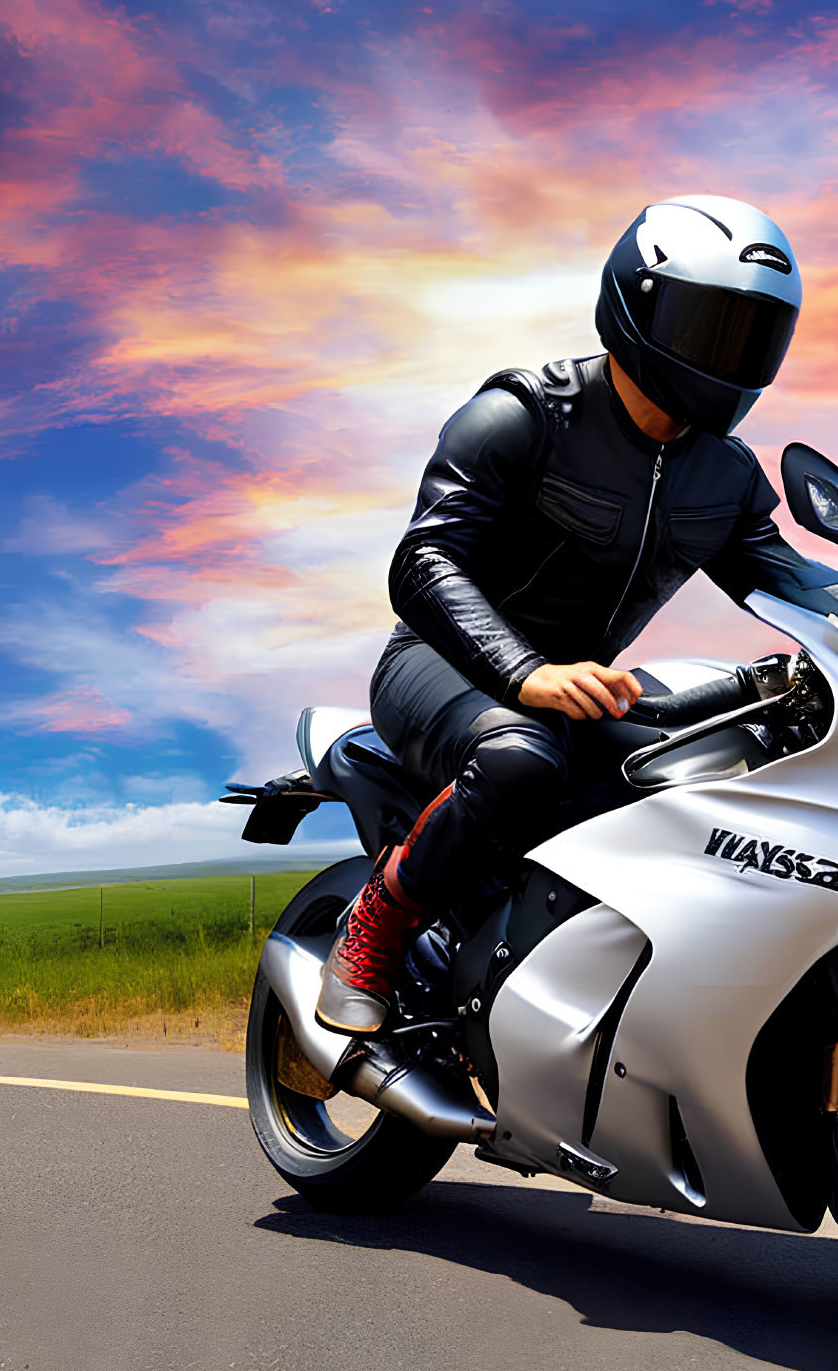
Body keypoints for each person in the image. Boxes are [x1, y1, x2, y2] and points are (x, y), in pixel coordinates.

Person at [317, 194, 838, 1036]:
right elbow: (423, 563)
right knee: (520, 760)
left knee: (698, 778)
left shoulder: (726, 475)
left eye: (750, 335)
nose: (729, 356)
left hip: (585, 684)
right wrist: (528, 673)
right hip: (442, 661)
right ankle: (377, 922)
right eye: (709, 327)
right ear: (633, 303)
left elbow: (783, 578)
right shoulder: (524, 414)